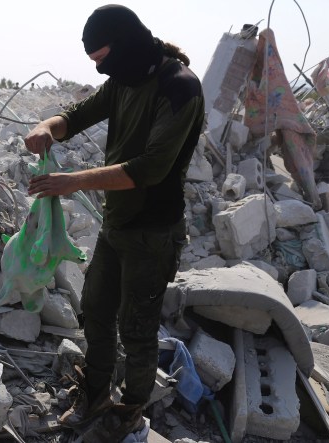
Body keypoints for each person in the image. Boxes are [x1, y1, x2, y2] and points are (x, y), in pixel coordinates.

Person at [24, 4, 204, 441]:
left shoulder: (178, 88)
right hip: (116, 225)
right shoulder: (123, 79)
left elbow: (149, 169)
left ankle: (130, 410)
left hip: (153, 232)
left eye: (103, 57)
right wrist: (46, 126)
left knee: (138, 329)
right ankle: (96, 394)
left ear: (125, 45)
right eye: (95, 63)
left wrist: (71, 182)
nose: (102, 68)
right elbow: (76, 115)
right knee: (96, 313)